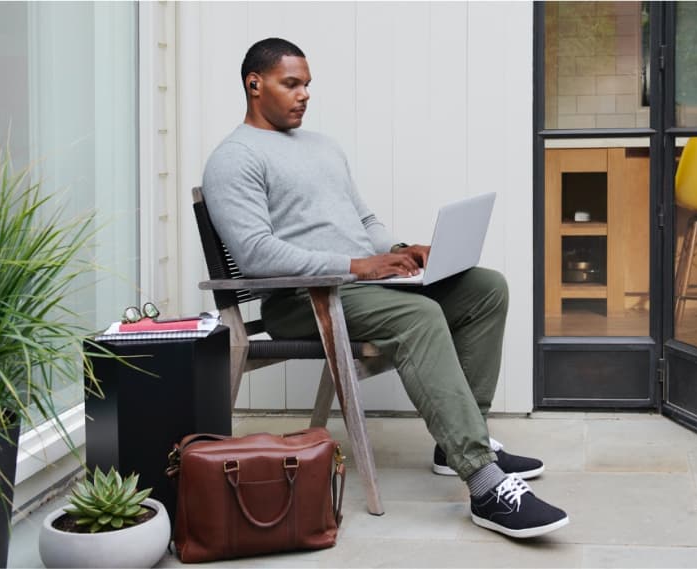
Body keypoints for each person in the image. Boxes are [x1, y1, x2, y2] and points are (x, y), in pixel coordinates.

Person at [202, 37, 569, 539]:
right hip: (302, 300)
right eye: (291, 84)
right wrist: (356, 265)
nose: (304, 94)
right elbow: (256, 255)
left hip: (353, 289)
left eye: (307, 84)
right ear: (254, 84)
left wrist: (400, 251)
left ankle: (461, 440)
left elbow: (364, 219)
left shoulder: (322, 146)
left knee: (486, 288)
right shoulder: (233, 159)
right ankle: (485, 484)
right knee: (419, 318)